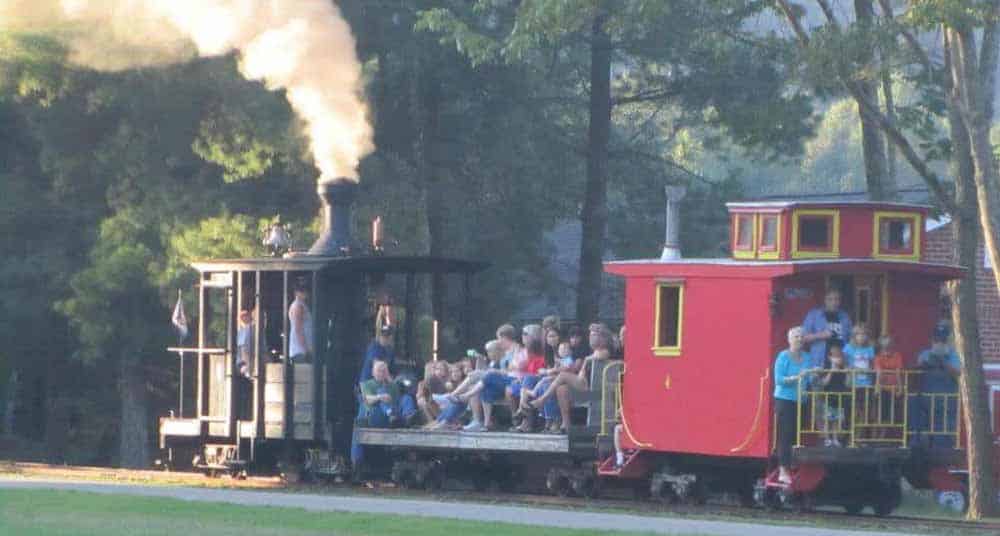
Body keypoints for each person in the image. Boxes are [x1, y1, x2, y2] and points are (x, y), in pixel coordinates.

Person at [529, 333, 611, 434]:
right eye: (590, 335)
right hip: (583, 387)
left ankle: (542, 399)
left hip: (595, 391)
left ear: (602, 338)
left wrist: (587, 359)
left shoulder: (604, 351)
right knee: (561, 389)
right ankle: (566, 424)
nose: (590, 338)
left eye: (594, 335)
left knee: (563, 375)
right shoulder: (593, 351)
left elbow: (600, 355)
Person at [914, 325, 961, 448]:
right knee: (923, 429)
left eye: (942, 340)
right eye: (937, 340)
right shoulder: (925, 354)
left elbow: (958, 373)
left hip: (947, 401)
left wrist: (943, 362)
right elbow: (915, 371)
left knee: (943, 435)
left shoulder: (954, 356)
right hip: (926, 399)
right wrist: (925, 364)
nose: (939, 343)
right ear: (932, 340)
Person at [773, 326, 808, 484]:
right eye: (796, 337)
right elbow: (779, 380)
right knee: (785, 436)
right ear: (789, 340)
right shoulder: (783, 356)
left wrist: (817, 374)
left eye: (801, 337)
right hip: (785, 400)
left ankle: (794, 465)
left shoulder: (807, 357)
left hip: (801, 400)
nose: (799, 339)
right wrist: (796, 377)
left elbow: (809, 380)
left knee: (797, 435)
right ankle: (783, 470)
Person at [802, 289, 852, 369]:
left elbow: (851, 339)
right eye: (830, 299)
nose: (834, 302)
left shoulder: (845, 316)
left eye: (837, 299)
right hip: (820, 362)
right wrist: (820, 335)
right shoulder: (814, 315)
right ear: (824, 300)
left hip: (842, 362)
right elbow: (803, 338)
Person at [358, 360, 416, 427]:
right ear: (373, 373)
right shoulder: (366, 384)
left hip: (394, 409)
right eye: (379, 370)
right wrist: (380, 397)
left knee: (407, 397)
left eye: (384, 370)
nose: (382, 373)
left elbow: (397, 399)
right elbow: (367, 399)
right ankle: (391, 416)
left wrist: (390, 382)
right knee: (381, 391)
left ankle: (409, 418)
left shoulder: (392, 384)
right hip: (378, 412)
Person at [844, 324, 875, 438]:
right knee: (853, 411)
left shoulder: (870, 348)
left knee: (864, 412)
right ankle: (850, 437)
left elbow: (872, 365)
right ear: (854, 336)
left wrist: (870, 372)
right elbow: (845, 364)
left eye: (864, 335)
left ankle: (859, 437)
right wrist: (859, 369)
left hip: (866, 384)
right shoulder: (848, 347)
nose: (861, 337)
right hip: (853, 384)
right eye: (859, 334)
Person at [817, 339, 849, 447]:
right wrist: (832, 370)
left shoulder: (844, 366)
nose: (836, 354)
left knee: (836, 420)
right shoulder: (826, 366)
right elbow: (824, 383)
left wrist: (844, 369)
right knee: (827, 419)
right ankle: (827, 439)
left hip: (840, 395)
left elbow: (847, 381)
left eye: (838, 352)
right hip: (828, 395)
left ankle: (835, 439)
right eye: (834, 352)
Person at [874, 334, 904, 440]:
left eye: (889, 346)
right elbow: (879, 373)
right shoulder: (878, 357)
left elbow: (898, 372)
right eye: (884, 347)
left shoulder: (897, 356)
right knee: (882, 412)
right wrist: (877, 388)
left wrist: (900, 388)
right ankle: (880, 436)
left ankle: (899, 437)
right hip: (883, 389)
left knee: (896, 413)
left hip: (894, 389)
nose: (887, 349)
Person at [416, 361, 450, 425]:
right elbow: (420, 395)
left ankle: (441, 421)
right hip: (431, 402)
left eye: (441, 369)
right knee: (423, 401)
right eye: (428, 370)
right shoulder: (422, 383)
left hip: (443, 401)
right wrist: (420, 395)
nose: (430, 371)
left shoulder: (447, 382)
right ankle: (431, 421)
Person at [288, 286, 314, 363]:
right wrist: (306, 349)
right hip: (300, 351)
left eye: (305, 290)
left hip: (302, 351)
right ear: (296, 292)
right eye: (302, 291)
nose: (305, 293)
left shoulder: (302, 305)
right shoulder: (298, 306)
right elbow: (298, 329)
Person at [236, 309, 254, 379]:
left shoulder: (246, 330)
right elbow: (243, 349)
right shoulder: (244, 331)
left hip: (245, 364)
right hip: (245, 365)